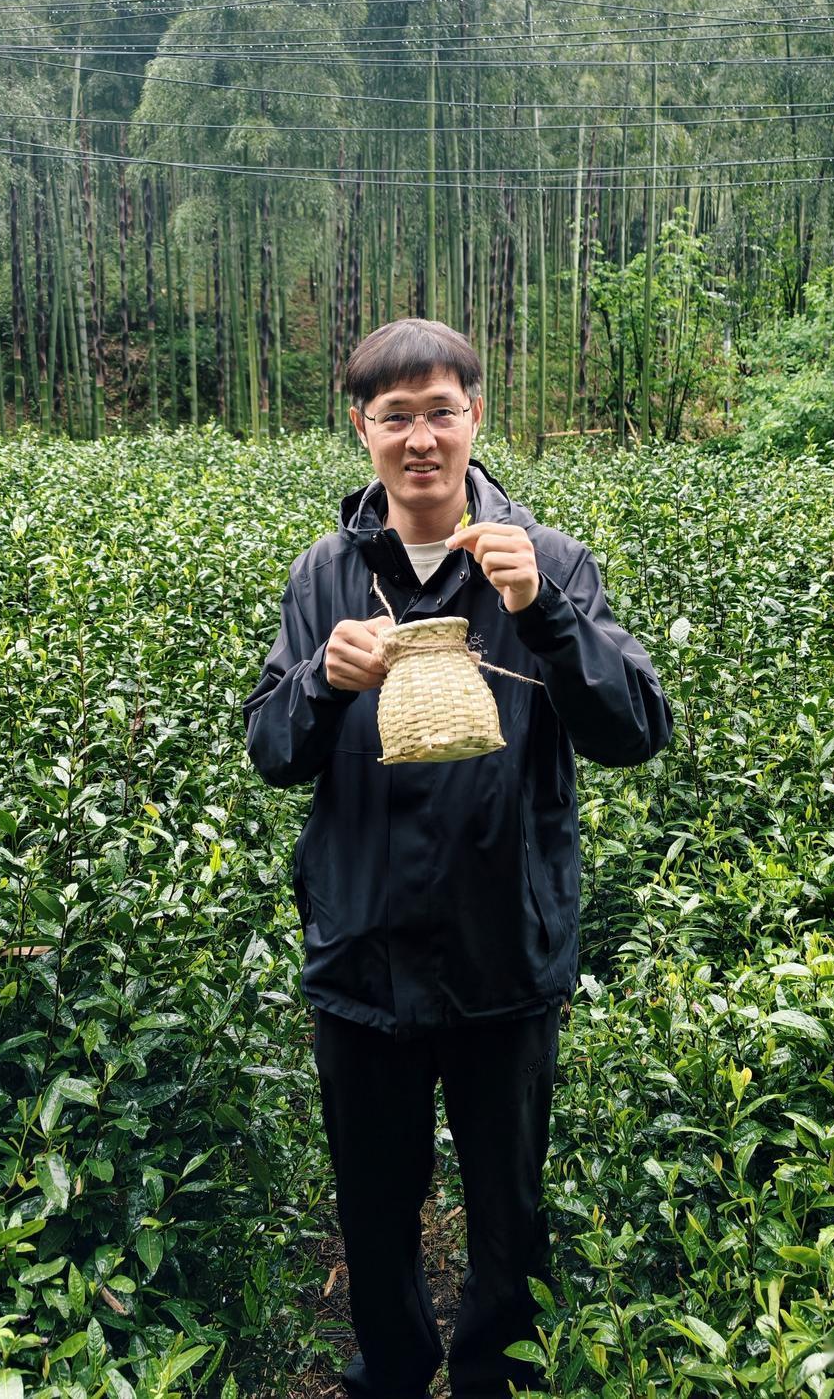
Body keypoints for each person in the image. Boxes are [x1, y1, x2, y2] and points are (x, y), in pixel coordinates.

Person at [242, 319, 673, 1399]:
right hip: (363, 951)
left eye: (441, 410)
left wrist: (545, 611)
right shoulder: (325, 573)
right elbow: (269, 750)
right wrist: (317, 683)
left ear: (477, 415)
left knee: (506, 1203)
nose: (420, 437)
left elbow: (634, 730)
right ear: (361, 429)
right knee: (373, 1197)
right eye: (396, 416)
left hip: (501, 952)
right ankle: (389, 1370)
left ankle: (493, 1377)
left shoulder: (549, 560)